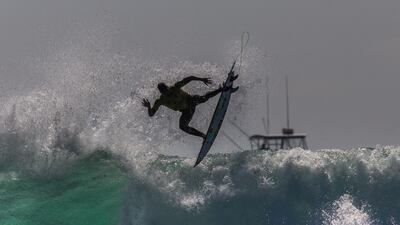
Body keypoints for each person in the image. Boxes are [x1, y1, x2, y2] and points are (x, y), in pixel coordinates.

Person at [142, 74, 237, 139]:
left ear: (168, 87)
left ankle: (222, 89)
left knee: (202, 98)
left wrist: (202, 79)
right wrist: (149, 107)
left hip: (191, 100)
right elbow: (151, 114)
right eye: (165, 92)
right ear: (161, 92)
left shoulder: (175, 87)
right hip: (186, 112)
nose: (168, 93)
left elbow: (190, 78)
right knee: (182, 126)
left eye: (167, 89)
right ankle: (204, 136)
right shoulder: (160, 101)